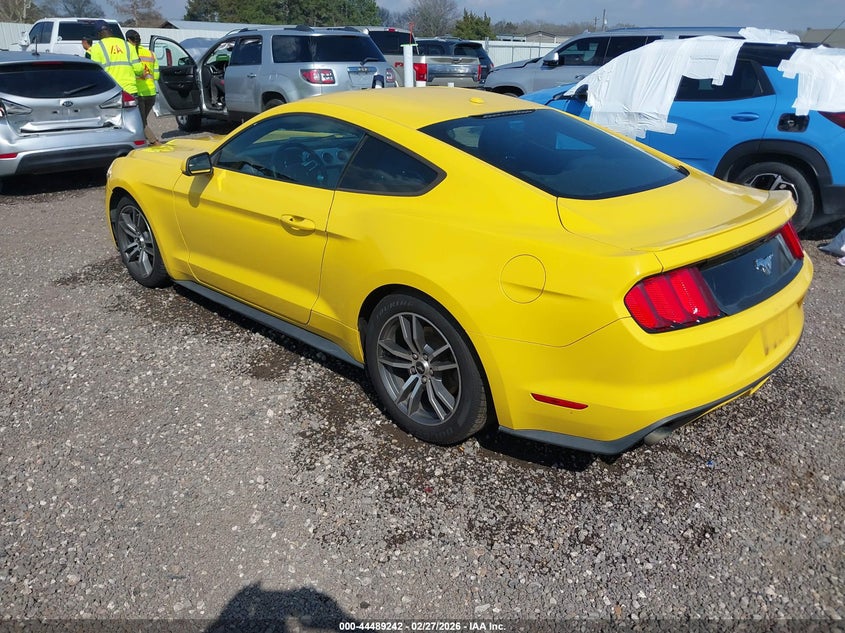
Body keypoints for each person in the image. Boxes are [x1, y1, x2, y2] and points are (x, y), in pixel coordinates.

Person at [87, 21, 142, 99]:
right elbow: (139, 69)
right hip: (130, 91)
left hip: (110, 91)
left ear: (98, 34)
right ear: (111, 31)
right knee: (132, 111)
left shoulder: (96, 48)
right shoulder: (128, 45)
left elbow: (96, 73)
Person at [125, 29, 161, 145]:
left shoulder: (130, 53)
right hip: (151, 92)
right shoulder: (151, 53)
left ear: (128, 40)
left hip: (138, 92)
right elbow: (156, 75)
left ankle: (153, 141)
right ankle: (143, 141)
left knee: (140, 121)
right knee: (142, 119)